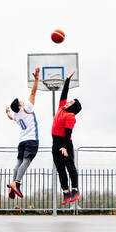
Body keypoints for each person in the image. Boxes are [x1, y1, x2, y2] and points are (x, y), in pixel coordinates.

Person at [5, 67, 40, 199]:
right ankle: (17, 183)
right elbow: (33, 92)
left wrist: (7, 111)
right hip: (31, 140)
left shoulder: (16, 115)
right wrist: (36, 79)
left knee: (18, 163)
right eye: (21, 102)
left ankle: (13, 184)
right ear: (20, 106)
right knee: (27, 160)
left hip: (21, 141)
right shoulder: (27, 109)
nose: (23, 102)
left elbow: (10, 116)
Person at [51, 71, 82, 205]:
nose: (68, 101)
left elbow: (68, 133)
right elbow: (64, 94)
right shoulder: (61, 108)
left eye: (71, 102)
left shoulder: (70, 116)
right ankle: (66, 192)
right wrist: (67, 80)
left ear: (73, 107)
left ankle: (75, 190)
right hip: (55, 143)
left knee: (70, 167)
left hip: (65, 143)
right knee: (60, 168)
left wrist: (64, 147)